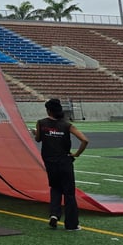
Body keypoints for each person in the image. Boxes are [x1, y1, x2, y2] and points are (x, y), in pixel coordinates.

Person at [34, 97, 88, 231]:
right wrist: (76, 154)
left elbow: (38, 139)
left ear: (48, 111)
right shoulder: (66, 125)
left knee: (55, 188)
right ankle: (71, 224)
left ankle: (54, 214)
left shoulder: (41, 123)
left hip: (49, 162)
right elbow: (84, 140)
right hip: (64, 161)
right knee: (69, 193)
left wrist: (36, 133)